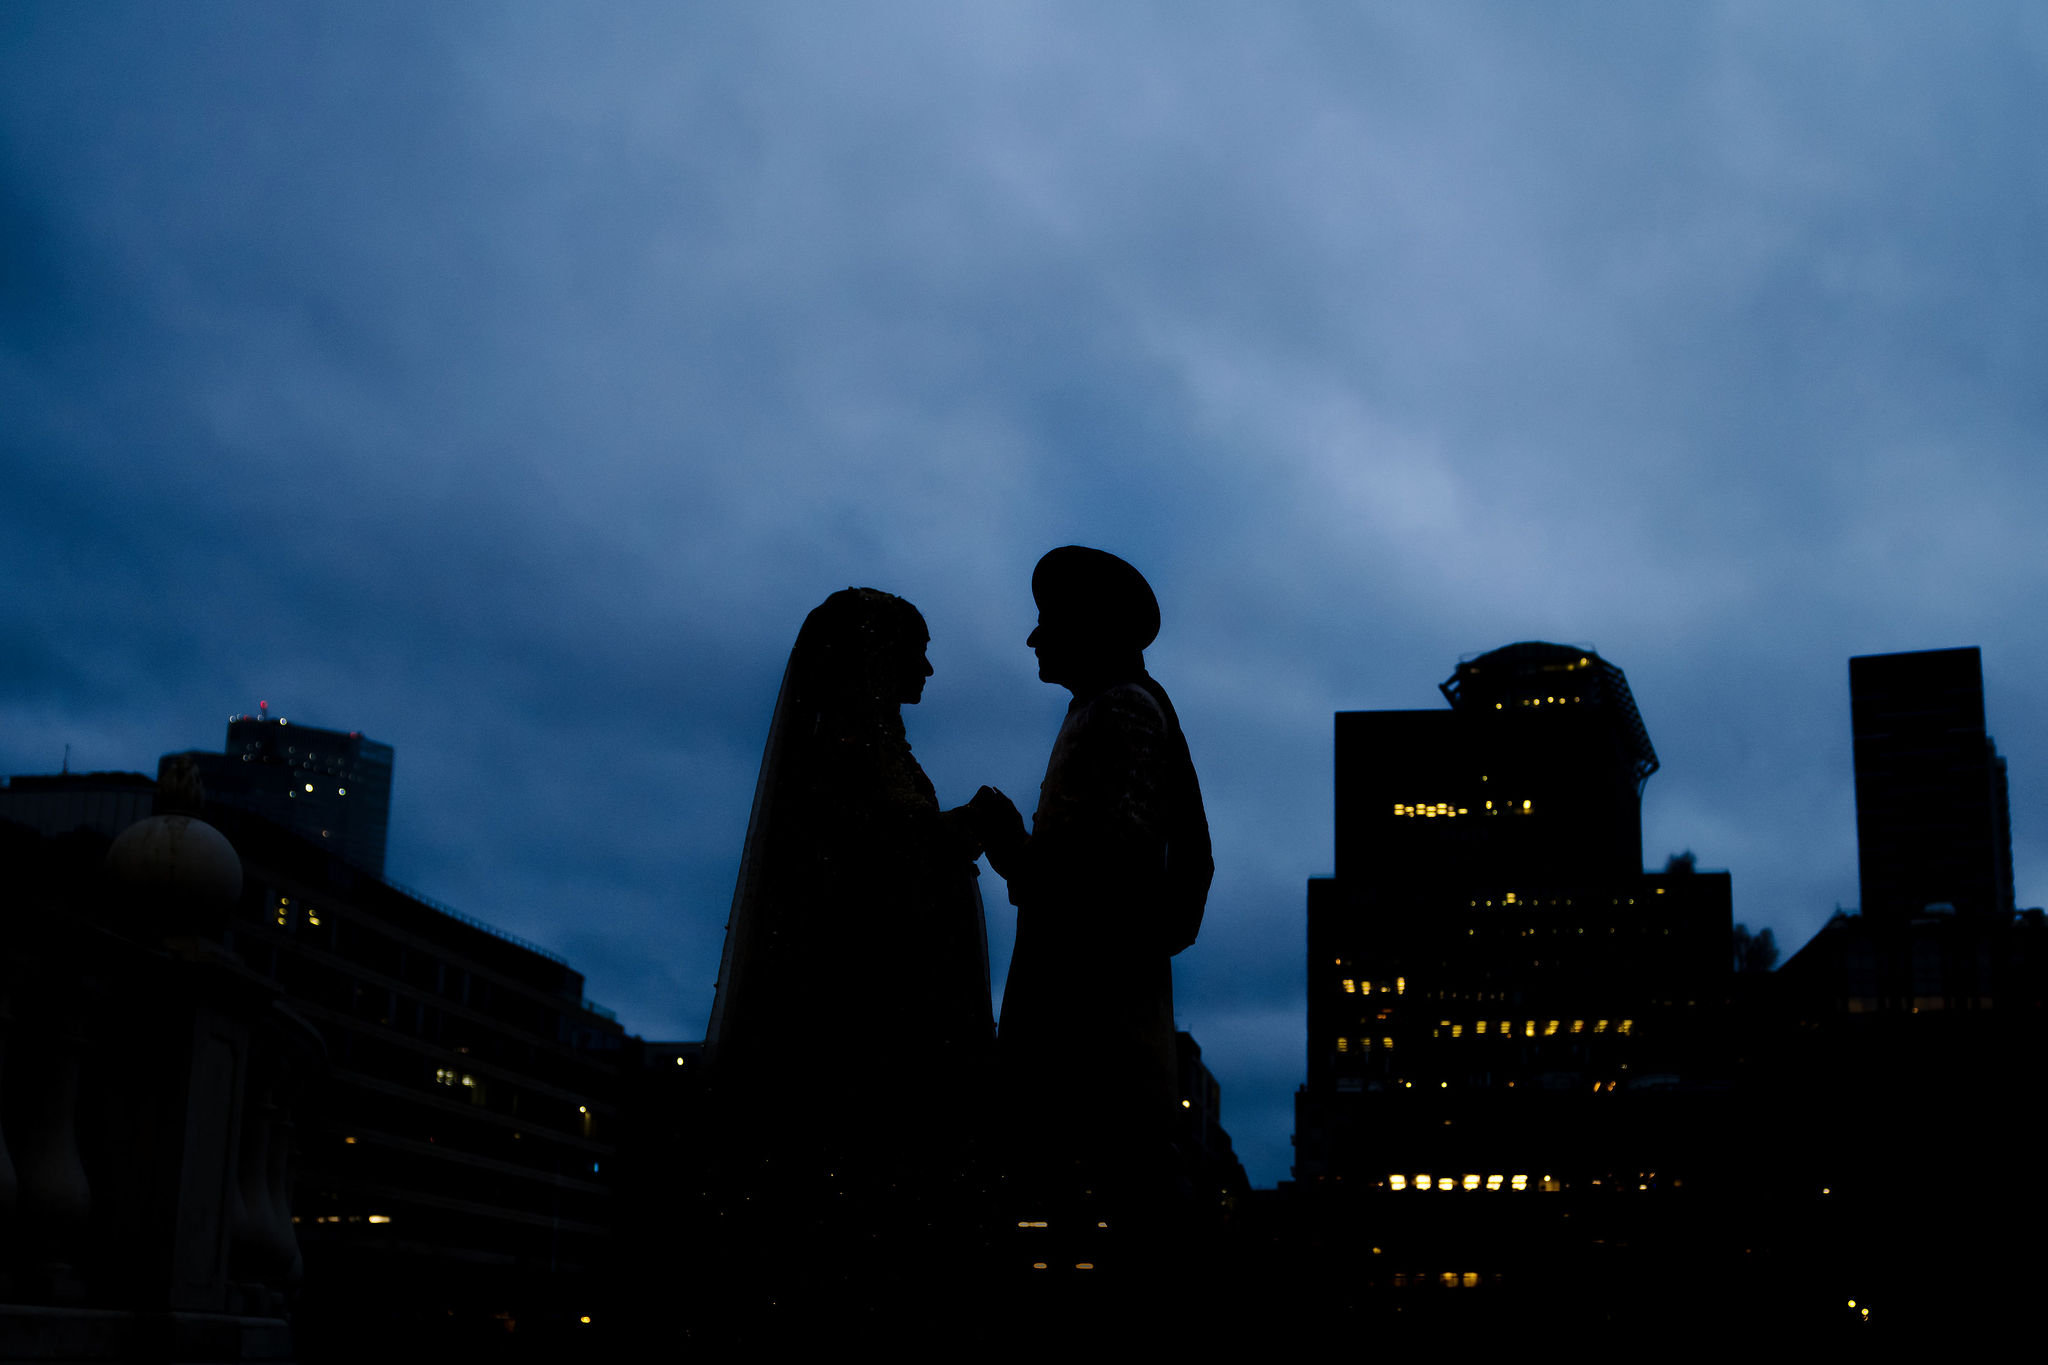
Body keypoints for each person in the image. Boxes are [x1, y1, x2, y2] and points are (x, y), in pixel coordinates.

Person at [702, 588, 992, 1340]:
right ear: (875, 654)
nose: (928, 666)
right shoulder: (847, 753)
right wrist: (965, 829)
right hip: (867, 1043)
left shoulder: (878, 750)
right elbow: (868, 876)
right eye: (915, 648)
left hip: (894, 1035)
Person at [970, 546, 1212, 1265]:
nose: (1033, 638)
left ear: (1091, 627)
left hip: (1093, 1026)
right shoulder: (1100, 709)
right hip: (1092, 1022)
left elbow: (1107, 874)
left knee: (1106, 1206)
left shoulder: (1121, 711)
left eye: (1048, 621)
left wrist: (1012, 845)